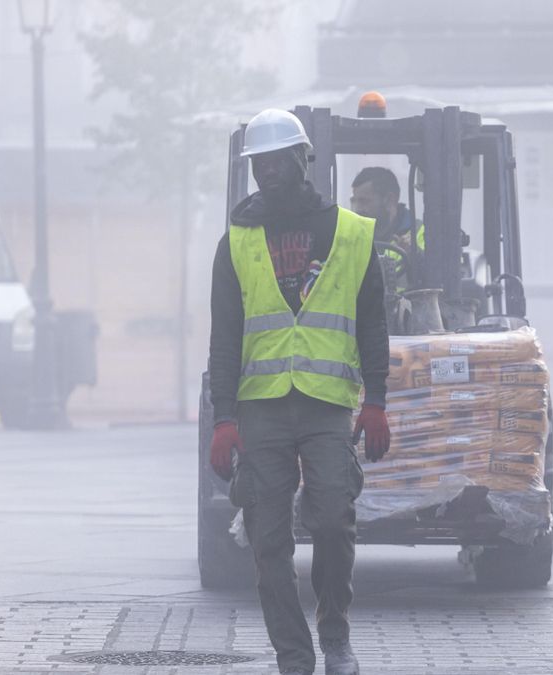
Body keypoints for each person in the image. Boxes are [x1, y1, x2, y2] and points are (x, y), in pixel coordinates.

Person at [207, 108, 391, 675]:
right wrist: (223, 418)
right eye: (258, 164)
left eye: (276, 161)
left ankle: (335, 635)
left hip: (325, 404)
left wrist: (377, 402)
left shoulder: (352, 235)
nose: (267, 172)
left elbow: (371, 324)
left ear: (301, 159)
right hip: (260, 410)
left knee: (334, 517)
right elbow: (226, 334)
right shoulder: (235, 242)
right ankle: (294, 655)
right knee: (267, 539)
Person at [349, 166, 424, 292]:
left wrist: (415, 256)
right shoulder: (349, 237)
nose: (357, 209)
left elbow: (438, 282)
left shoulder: (421, 233)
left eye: (364, 201)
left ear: (390, 200)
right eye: (354, 201)